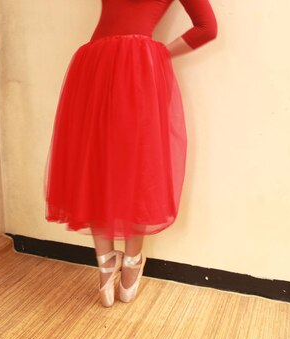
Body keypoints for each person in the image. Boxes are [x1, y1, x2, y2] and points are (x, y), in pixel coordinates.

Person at [44, 0, 218, 307]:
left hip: (114, 65)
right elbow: (206, 28)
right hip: (115, 67)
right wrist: (156, 53)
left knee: (115, 164)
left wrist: (159, 53)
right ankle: (119, 261)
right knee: (116, 165)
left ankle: (117, 261)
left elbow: (207, 29)